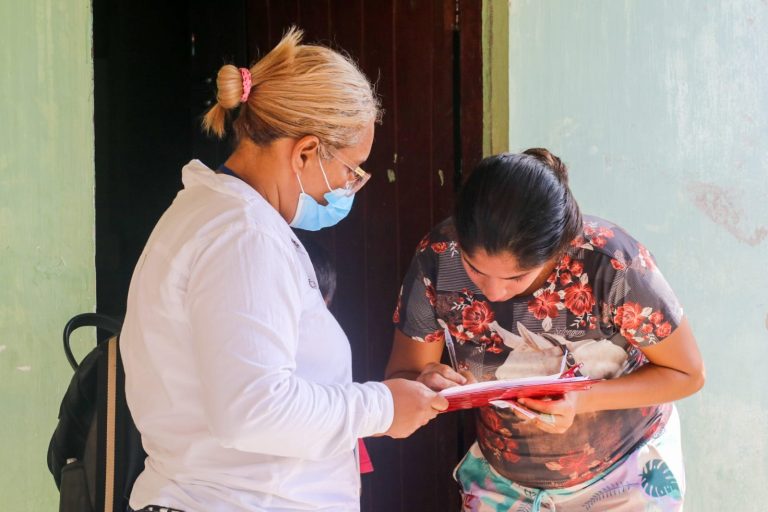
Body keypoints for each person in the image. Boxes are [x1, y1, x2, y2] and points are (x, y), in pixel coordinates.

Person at [120, 28, 447, 512]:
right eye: (352, 171)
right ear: (305, 152)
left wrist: (404, 395)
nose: (349, 187)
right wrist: (383, 408)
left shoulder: (218, 216)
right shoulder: (243, 235)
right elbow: (254, 410)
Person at [386, 149, 705, 511]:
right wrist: (425, 383)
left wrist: (583, 401)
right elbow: (402, 377)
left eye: (517, 277)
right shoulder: (438, 257)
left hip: (624, 476)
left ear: (560, 250)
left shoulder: (613, 265)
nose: (493, 292)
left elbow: (687, 374)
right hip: (503, 483)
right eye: (474, 269)